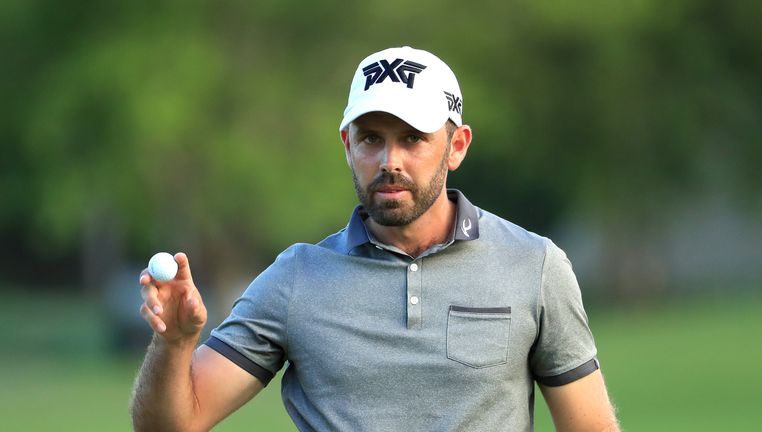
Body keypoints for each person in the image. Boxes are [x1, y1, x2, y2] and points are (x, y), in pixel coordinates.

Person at [130, 46, 620, 432]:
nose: (390, 160)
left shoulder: (533, 266)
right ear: (348, 144)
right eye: (371, 138)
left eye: (412, 138)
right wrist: (174, 344)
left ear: (457, 146)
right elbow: (173, 425)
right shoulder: (296, 279)